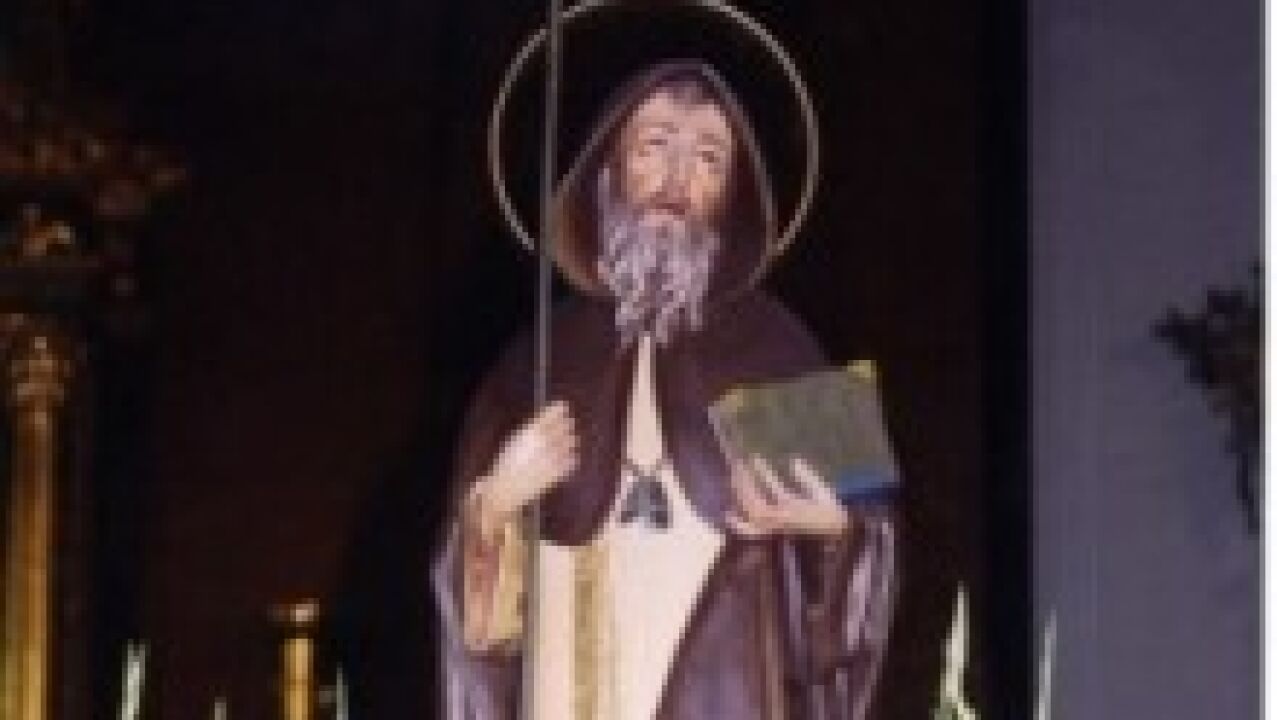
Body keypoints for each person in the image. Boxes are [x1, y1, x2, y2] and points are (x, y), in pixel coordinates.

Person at [433, 60, 897, 720]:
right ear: (606, 174)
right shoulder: (535, 358)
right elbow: (474, 618)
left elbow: (875, 551)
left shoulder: (780, 347)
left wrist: (831, 531)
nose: (677, 182)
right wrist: (496, 504)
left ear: (733, 195)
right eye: (654, 146)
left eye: (708, 159)